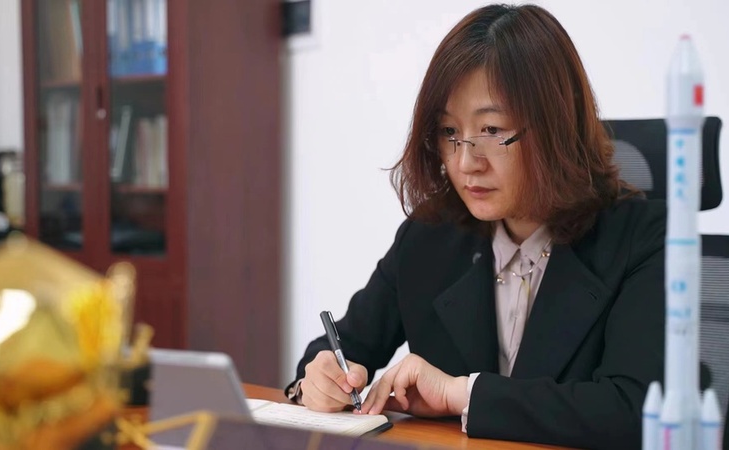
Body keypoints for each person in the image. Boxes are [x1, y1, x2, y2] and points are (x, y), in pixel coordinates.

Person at [286, 4, 667, 449]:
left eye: (491, 129)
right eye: (449, 132)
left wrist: (463, 393)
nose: (466, 162)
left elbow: (635, 410)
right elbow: (341, 348)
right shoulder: (430, 235)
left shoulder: (643, 238)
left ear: (557, 126)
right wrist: (317, 381)